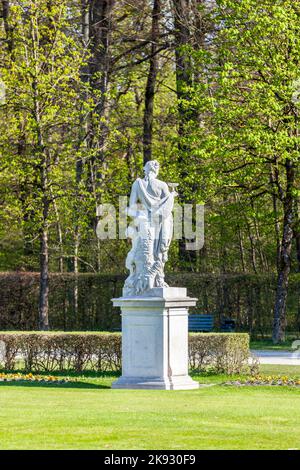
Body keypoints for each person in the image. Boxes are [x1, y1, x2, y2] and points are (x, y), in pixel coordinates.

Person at [123, 160, 177, 296]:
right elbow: (168, 206)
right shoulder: (161, 185)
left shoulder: (138, 184)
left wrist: (142, 215)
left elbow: (131, 207)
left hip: (149, 222)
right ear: (156, 171)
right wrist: (172, 196)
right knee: (159, 250)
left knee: (151, 252)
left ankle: (156, 279)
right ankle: (157, 279)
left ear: (145, 170)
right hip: (160, 221)